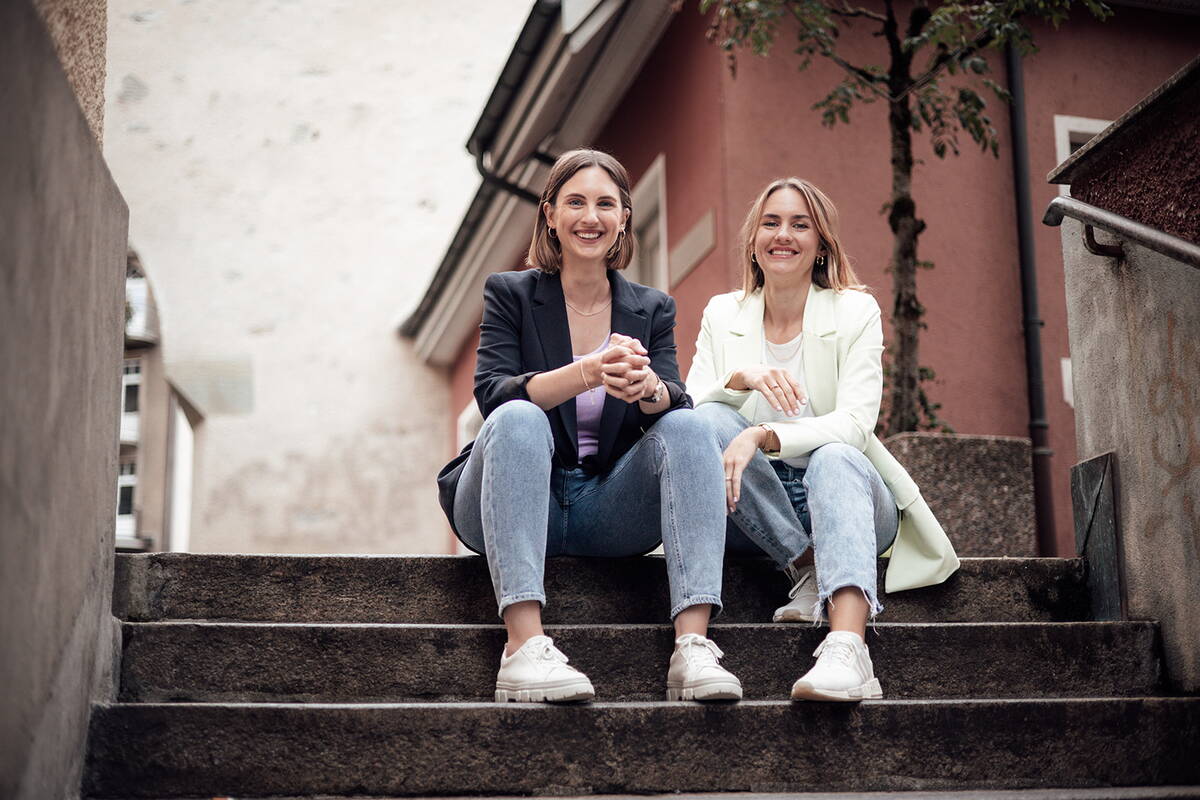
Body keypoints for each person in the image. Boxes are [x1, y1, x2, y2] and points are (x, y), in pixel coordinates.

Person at [437, 149, 741, 704]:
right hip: (512, 501)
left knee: (691, 426)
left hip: (608, 507)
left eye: (606, 204)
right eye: (575, 202)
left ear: (625, 216)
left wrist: (645, 388)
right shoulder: (511, 294)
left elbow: (673, 397)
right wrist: (587, 373)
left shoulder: (652, 308)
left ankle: (693, 649)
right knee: (519, 415)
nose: (590, 217)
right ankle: (523, 649)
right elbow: (491, 393)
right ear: (550, 214)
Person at [687, 177, 959, 702]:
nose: (782, 234)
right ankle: (807, 561)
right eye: (771, 222)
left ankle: (849, 649)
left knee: (835, 456)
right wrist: (739, 380)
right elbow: (692, 412)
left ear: (821, 244)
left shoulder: (853, 310)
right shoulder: (723, 313)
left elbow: (856, 424)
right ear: (752, 240)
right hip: (750, 508)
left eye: (799, 224)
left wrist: (765, 434)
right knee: (706, 423)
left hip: (848, 498)